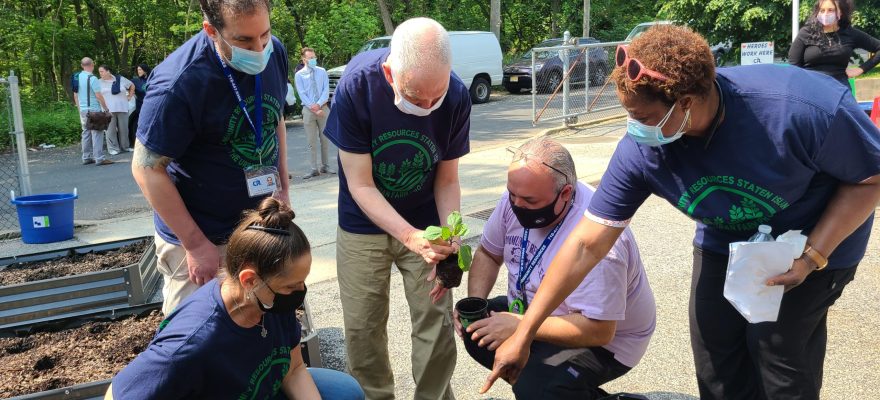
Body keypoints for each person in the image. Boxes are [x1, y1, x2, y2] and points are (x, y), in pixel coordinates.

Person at [485, 25, 880, 400]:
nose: (633, 128)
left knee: (778, 354)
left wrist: (813, 255)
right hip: (726, 238)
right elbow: (587, 244)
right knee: (716, 358)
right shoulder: (642, 151)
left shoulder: (801, 109)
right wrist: (525, 331)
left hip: (812, 241)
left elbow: (870, 179)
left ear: (686, 103)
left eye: (641, 117)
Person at [323, 17, 470, 400]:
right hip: (363, 223)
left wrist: (449, 236)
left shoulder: (455, 95)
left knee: (435, 323)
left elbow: (447, 180)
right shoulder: (357, 86)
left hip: (426, 222)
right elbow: (360, 183)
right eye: (415, 96)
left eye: (433, 97)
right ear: (390, 72)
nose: (425, 107)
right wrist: (408, 236)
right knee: (363, 327)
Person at [106, 198, 365, 399]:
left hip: (261, 390)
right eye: (291, 286)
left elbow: (294, 369)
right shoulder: (191, 344)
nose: (299, 292)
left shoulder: (270, 300)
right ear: (249, 279)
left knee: (342, 391)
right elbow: (117, 394)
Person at [456, 137, 655, 399]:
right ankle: (561, 387)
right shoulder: (517, 197)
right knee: (479, 332)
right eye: (512, 195)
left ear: (565, 193)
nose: (517, 205)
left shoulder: (600, 240)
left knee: (536, 386)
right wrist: (476, 306)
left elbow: (600, 331)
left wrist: (520, 327)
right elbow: (488, 254)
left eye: (529, 200)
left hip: (607, 341)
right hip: (536, 309)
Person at [132, 0, 291, 316]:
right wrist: (195, 245)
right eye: (244, 41)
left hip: (258, 227)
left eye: (264, 34)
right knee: (196, 334)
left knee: (260, 323)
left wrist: (283, 188)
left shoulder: (274, 52)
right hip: (201, 236)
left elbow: (275, 120)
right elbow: (146, 169)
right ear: (211, 30)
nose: (259, 49)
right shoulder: (179, 82)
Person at [789, 0, 880, 87]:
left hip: (839, 89)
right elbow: (794, 65)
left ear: (840, 12)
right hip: (810, 88)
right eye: (822, 10)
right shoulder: (806, 32)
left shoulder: (850, 33)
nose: (825, 14)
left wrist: (861, 69)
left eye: (831, 10)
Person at [295, 47, 333, 179]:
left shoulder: (322, 72)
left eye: (314, 57)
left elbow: (325, 90)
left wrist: (319, 105)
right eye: (310, 58)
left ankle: (326, 166)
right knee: (311, 141)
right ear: (304, 59)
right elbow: (302, 94)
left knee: (325, 139)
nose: (313, 60)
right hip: (309, 110)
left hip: (323, 108)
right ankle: (313, 168)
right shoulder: (299, 75)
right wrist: (314, 108)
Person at [72, 57, 113, 166]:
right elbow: (98, 95)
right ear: (92, 65)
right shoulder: (93, 78)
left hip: (83, 109)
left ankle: (86, 157)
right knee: (97, 132)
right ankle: (99, 158)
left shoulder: (76, 77)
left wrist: (79, 108)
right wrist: (106, 109)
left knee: (85, 132)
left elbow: (75, 95)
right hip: (94, 109)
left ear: (82, 66)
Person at [97, 65, 134, 155]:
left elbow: (132, 85)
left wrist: (130, 96)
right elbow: (97, 95)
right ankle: (113, 148)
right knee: (110, 130)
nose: (100, 74)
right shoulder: (98, 82)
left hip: (123, 107)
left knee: (124, 129)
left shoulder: (120, 79)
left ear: (108, 71)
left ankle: (125, 147)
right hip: (108, 109)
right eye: (99, 72)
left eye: (102, 71)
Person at [128, 63, 152, 146]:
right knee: (140, 126)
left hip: (152, 107)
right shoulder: (135, 81)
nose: (138, 71)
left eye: (140, 70)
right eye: (137, 70)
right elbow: (124, 87)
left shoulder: (152, 79)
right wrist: (130, 94)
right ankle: (139, 144)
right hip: (141, 107)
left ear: (145, 70)